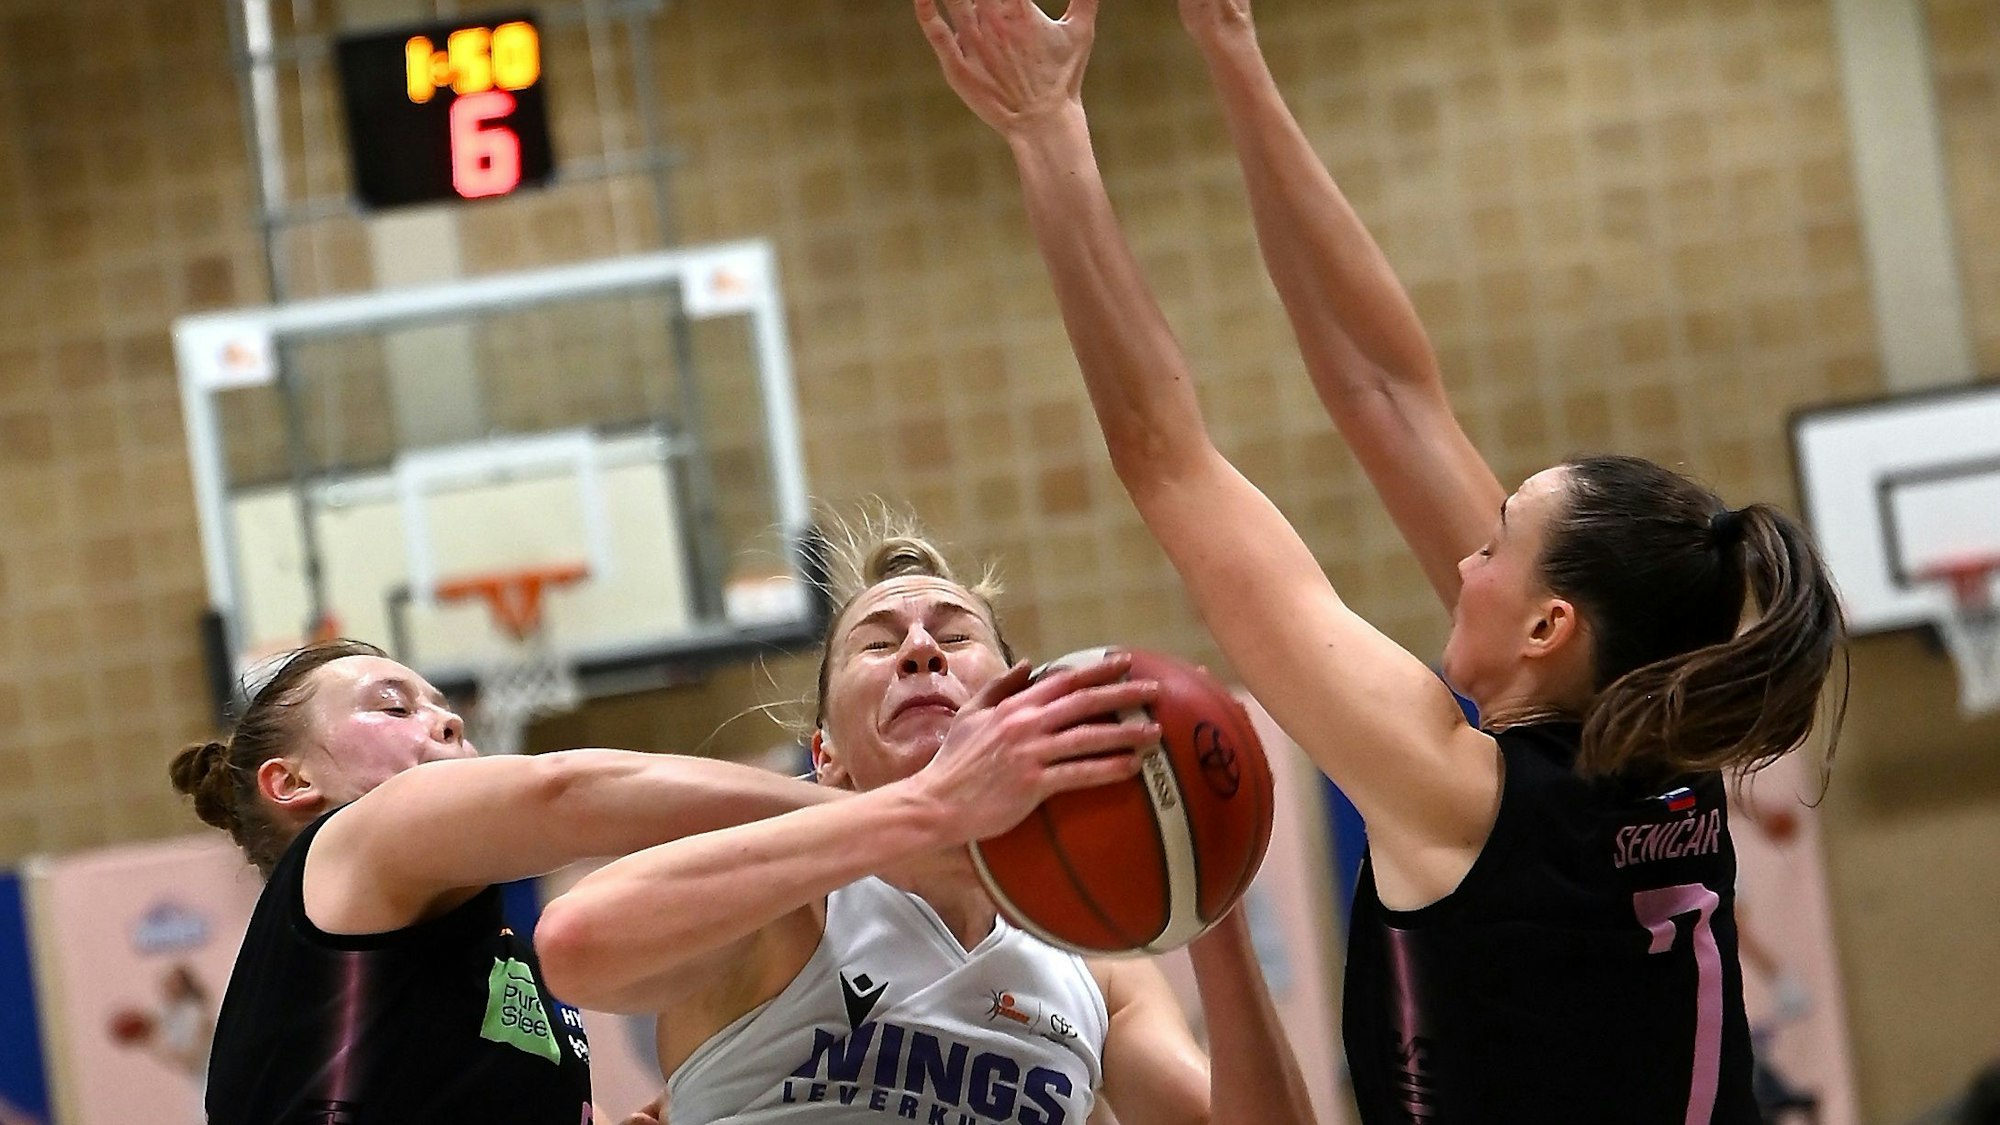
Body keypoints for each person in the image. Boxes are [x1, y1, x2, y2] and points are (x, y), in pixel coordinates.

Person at [915, 1, 1847, 1121]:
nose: (1464, 559)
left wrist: (1048, 130)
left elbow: (1166, 460)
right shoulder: (1665, 768)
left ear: (1549, 624)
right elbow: (1387, 392)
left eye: (1494, 544)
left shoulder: (1461, 795)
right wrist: (1230, 47)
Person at [535, 525, 1320, 1124]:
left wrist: (1207, 888)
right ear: (827, 755)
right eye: (879, 643)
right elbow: (575, 941)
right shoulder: (784, 898)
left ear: (1021, 701)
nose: (919, 649)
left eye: (954, 636)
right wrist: (925, 813)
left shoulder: (1091, 966)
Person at [168, 638, 854, 1125]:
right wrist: (871, 815)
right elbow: (563, 792)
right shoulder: (349, 844)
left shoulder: (490, 958)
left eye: (441, 705)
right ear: (291, 782)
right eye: (394, 707)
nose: (447, 719)